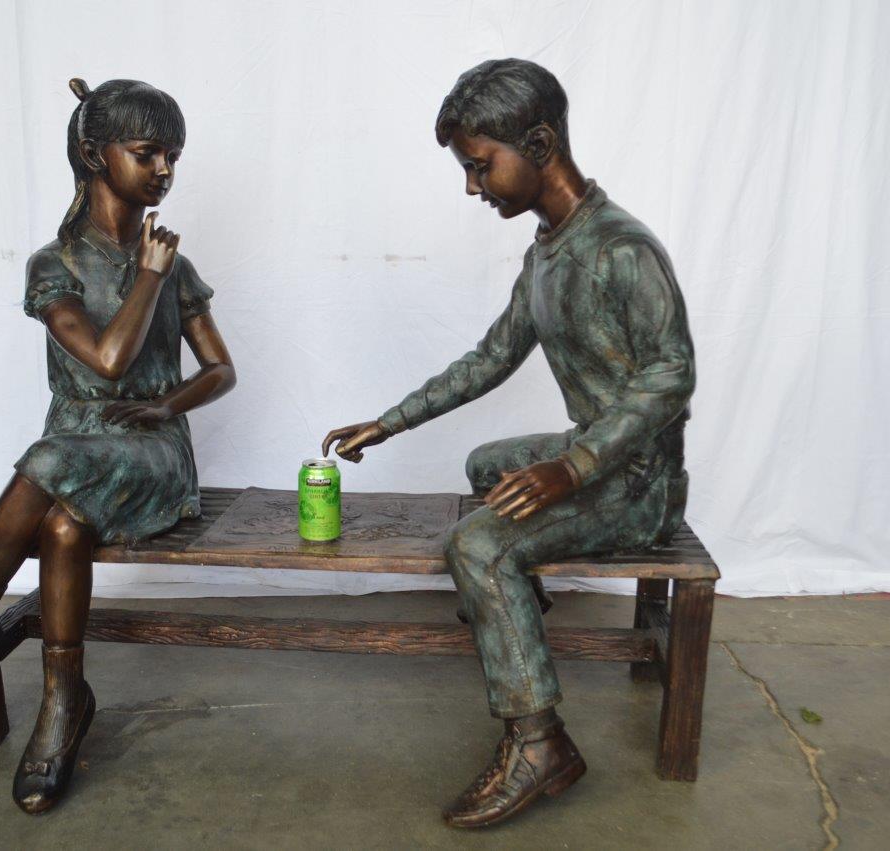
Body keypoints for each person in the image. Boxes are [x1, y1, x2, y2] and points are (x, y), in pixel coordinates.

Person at [323, 58, 695, 828]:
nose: (473, 186)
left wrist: (575, 465)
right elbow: (492, 357)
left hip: (638, 481)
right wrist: (389, 421)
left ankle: (539, 742)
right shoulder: (547, 251)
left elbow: (672, 375)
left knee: (476, 545)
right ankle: (515, 610)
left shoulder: (623, 248)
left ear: (540, 144)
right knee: (485, 465)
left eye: (480, 164)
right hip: (597, 454)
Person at [0, 78, 236, 815]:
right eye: (147, 152)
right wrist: (147, 276)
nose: (164, 169)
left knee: (45, 462)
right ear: (95, 154)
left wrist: (165, 400)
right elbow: (103, 359)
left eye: (172, 155)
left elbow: (212, 369)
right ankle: (65, 700)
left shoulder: (170, 265)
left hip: (152, 452)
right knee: (64, 525)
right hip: (78, 440)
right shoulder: (54, 264)